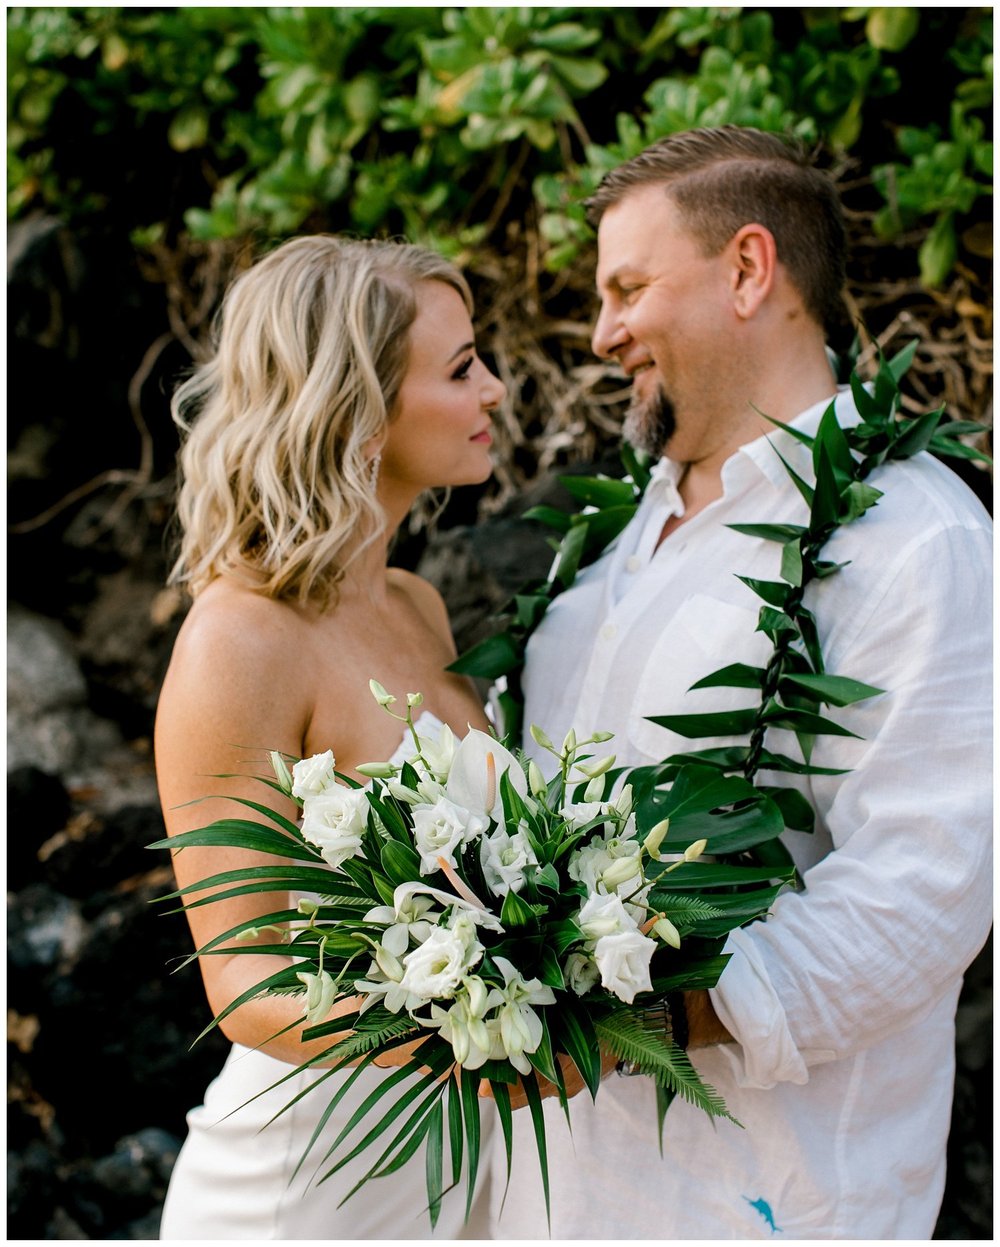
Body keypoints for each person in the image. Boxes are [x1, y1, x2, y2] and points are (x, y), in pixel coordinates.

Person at [489, 126, 992, 1239]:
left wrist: (624, 1014)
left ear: (749, 270)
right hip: (549, 1197)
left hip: (757, 1200)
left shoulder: (917, 539)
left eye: (627, 288)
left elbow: (926, 881)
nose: (601, 332)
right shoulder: (609, 538)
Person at [154, 234, 506, 1239]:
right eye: (460, 367)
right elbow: (246, 979)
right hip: (304, 1185)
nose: (495, 388)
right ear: (356, 408)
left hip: (451, 1166)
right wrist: (479, 1032)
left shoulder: (414, 604)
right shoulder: (239, 642)